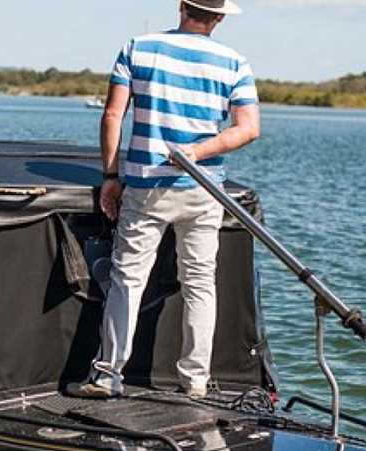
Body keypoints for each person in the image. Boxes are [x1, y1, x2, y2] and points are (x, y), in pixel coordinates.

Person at [69, 0, 260, 399]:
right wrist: (200, 151)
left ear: (181, 7)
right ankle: (194, 381)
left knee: (128, 281)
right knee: (200, 284)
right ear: (220, 17)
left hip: (145, 185)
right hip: (204, 188)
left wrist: (110, 176)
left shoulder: (138, 47)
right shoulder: (235, 62)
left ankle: (108, 375)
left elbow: (111, 116)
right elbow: (248, 129)